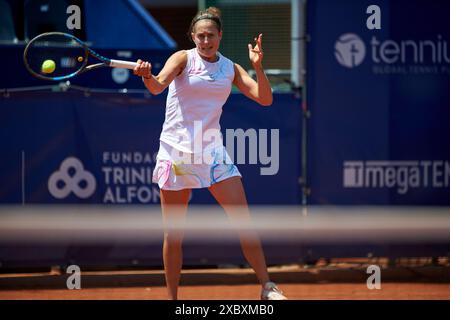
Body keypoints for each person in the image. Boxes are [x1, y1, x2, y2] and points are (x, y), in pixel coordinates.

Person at [133, 7, 287, 300]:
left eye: (211, 36)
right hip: (177, 154)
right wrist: (145, 76)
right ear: (193, 37)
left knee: (244, 222)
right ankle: (173, 299)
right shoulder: (182, 59)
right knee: (174, 236)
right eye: (200, 36)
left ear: (220, 36)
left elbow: (265, 99)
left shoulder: (230, 68)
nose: (206, 41)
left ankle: (267, 286)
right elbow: (156, 87)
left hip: (213, 154)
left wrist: (258, 66)